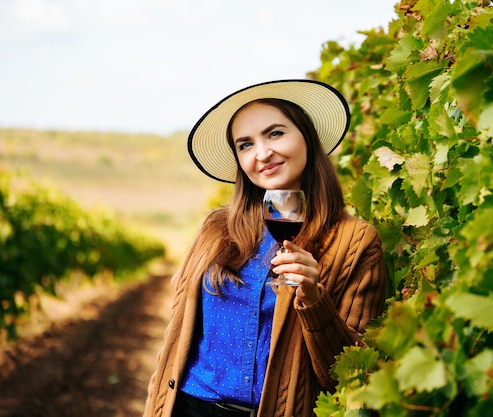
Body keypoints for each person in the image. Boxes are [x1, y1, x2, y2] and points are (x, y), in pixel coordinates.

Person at [144, 79, 388, 417]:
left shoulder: (357, 242)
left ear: (307, 137)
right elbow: (176, 336)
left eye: (275, 134)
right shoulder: (215, 229)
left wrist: (315, 300)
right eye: (245, 144)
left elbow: (355, 375)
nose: (262, 153)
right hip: (190, 406)